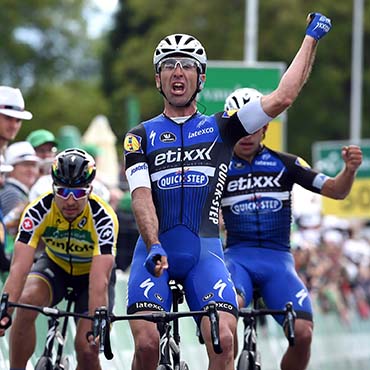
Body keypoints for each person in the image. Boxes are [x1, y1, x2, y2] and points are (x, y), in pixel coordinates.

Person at [123, 13, 332, 370]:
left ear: (200, 77)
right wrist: (154, 242)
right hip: (154, 250)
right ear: (158, 78)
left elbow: (283, 97)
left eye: (187, 66)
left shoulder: (224, 127)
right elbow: (141, 196)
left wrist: (311, 37)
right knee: (145, 345)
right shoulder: (139, 135)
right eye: (169, 66)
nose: (178, 72)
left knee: (224, 340)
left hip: (204, 253)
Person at [221, 87, 362, 370]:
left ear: (265, 128)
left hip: (278, 261)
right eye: (241, 126)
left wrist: (348, 171)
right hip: (237, 258)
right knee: (225, 318)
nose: (247, 134)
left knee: (304, 333)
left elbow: (335, 191)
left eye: (254, 126)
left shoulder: (286, 164)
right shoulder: (218, 168)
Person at [0, 148, 119, 370]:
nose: (70, 201)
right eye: (63, 192)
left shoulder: (103, 218)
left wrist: (96, 324)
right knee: (25, 301)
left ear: (90, 189)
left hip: (90, 277)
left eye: (78, 192)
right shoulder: (37, 210)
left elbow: (100, 279)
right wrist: (5, 311)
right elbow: (19, 268)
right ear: (53, 188)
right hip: (55, 267)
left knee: (87, 348)